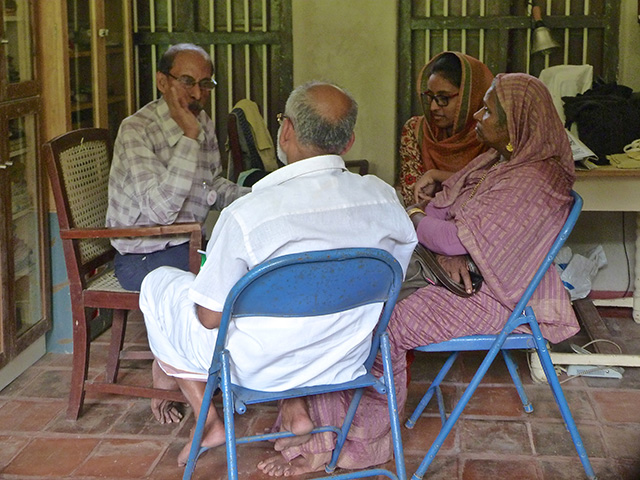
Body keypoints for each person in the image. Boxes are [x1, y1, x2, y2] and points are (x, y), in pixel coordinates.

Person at [262, 73, 581, 477]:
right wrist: (445, 241)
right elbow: (444, 214)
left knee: (377, 324)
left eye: (489, 110)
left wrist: (426, 226)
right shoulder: (500, 163)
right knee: (352, 301)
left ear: (515, 124)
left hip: (501, 297)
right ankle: (317, 429)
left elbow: (446, 229)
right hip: (467, 278)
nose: (478, 115)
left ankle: (359, 444)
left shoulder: (532, 179)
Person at [138, 81, 418, 467]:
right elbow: (393, 278)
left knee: (158, 285)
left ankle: (208, 418)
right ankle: (297, 404)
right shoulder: (383, 197)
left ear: (286, 131)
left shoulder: (248, 215)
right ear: (349, 142)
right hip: (343, 357)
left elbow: (208, 318)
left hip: (256, 367)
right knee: (307, 300)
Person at [106, 43, 249, 292]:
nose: (196, 93)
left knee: (251, 262)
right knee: (227, 284)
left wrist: (258, 197)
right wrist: (189, 138)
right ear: (163, 82)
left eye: (205, 84)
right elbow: (160, 212)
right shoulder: (137, 130)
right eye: (187, 81)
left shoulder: (202, 121)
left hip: (187, 247)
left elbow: (211, 185)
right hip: (143, 259)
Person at [398, 51, 494, 206]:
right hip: (425, 224)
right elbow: (415, 199)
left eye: (443, 98)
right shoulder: (416, 130)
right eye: (431, 97)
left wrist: (438, 176)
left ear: (470, 97)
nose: (433, 107)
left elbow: (495, 190)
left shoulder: (493, 133)